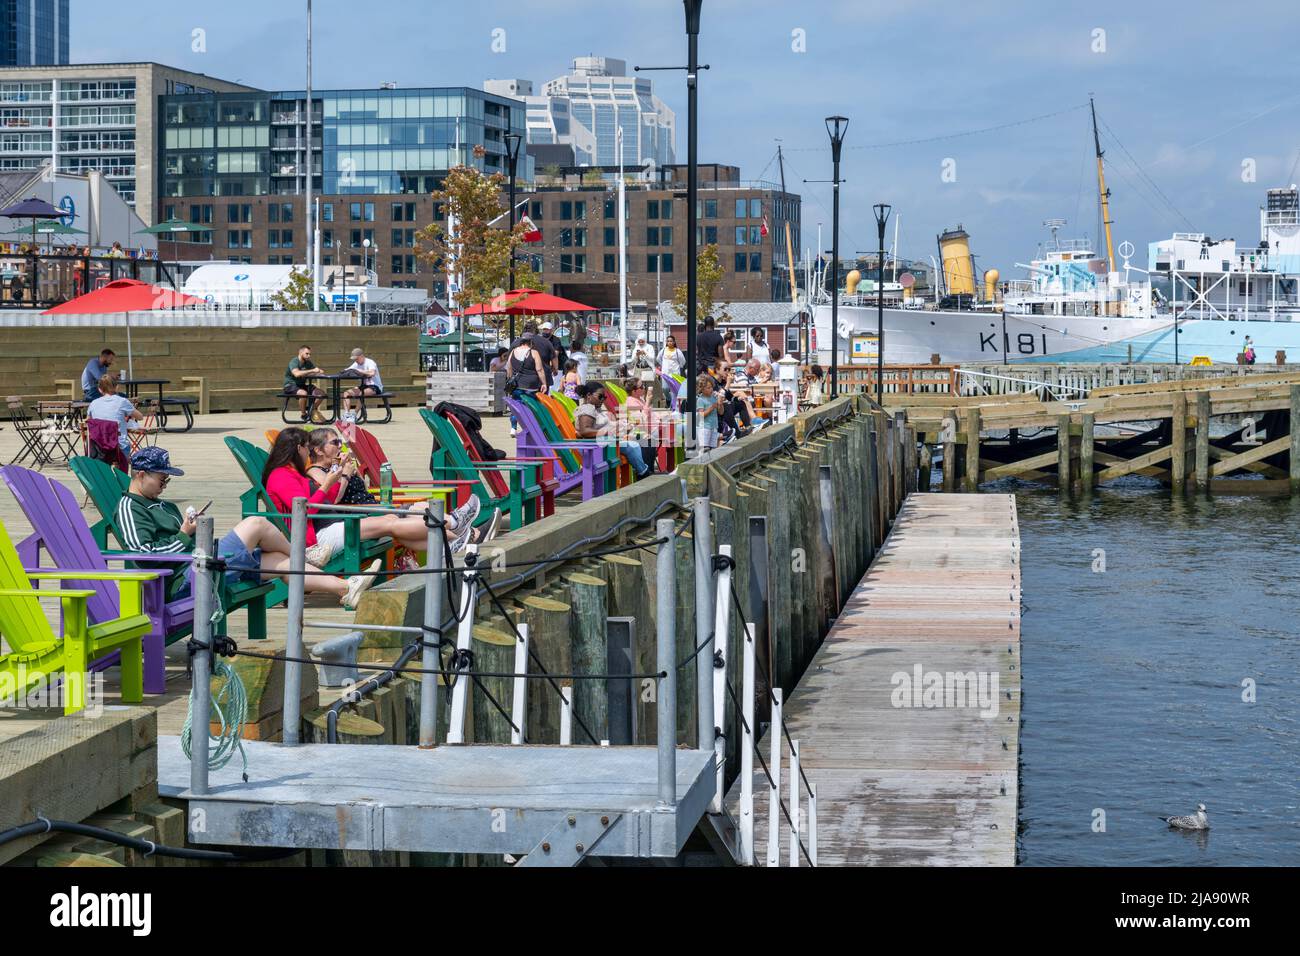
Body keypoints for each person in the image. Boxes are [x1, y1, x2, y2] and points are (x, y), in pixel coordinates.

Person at [115, 447, 378, 609]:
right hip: (183, 580)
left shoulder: (162, 506)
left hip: (202, 562)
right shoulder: (130, 507)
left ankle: (346, 588)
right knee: (256, 524)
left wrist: (189, 532)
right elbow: (143, 553)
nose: (165, 485)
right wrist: (185, 533)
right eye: (162, 479)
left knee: (278, 560)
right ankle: (307, 553)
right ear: (140, 475)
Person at [303, 426, 499, 551]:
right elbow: (334, 499)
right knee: (411, 514)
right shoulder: (316, 471)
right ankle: (464, 530)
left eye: (340, 441)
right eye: (335, 442)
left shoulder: (334, 467)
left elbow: (359, 490)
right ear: (319, 450)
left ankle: (460, 536)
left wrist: (353, 473)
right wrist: (345, 474)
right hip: (359, 515)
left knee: (417, 511)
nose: (340, 445)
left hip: (371, 507)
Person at [575, 382, 652, 478]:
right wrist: (608, 431)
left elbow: (599, 426)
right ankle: (644, 474)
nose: (603, 400)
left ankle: (644, 473)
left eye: (604, 397)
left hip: (603, 443)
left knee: (638, 442)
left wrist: (620, 425)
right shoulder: (587, 409)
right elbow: (584, 431)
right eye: (600, 396)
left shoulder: (594, 409)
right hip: (595, 447)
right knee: (634, 445)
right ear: (589, 395)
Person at [86, 373, 143, 463]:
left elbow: (88, 422)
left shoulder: (93, 403)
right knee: (126, 446)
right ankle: (122, 472)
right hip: (118, 447)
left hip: (98, 448)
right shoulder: (122, 401)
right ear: (117, 387)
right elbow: (140, 417)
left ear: (99, 389)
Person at [506, 324, 548, 437]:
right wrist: (544, 383)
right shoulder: (534, 353)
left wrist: (510, 379)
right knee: (531, 407)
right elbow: (539, 369)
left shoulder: (513, 351)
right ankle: (530, 429)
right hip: (531, 386)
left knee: (516, 407)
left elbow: (509, 367)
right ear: (531, 342)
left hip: (517, 386)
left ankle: (513, 428)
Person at [283, 344, 326, 422]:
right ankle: (303, 414)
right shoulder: (294, 361)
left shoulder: (308, 363)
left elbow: (320, 371)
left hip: (302, 385)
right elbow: (297, 374)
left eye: (310, 354)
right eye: (307, 353)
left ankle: (311, 412)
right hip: (290, 385)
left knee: (321, 393)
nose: (309, 355)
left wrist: (316, 371)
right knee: (303, 393)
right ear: (300, 352)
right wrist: (312, 371)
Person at [341, 347, 382, 417]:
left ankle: (354, 414)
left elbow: (372, 373)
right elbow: (348, 369)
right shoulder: (356, 363)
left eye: (357, 359)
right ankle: (346, 414)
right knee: (346, 393)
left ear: (362, 356)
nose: (355, 361)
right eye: (354, 359)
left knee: (361, 393)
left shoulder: (370, 362)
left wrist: (360, 371)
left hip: (375, 386)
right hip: (364, 385)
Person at [519, 320, 556, 388]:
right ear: (536, 329)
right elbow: (554, 358)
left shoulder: (517, 342)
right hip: (543, 378)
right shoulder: (546, 342)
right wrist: (555, 369)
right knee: (542, 398)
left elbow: (509, 363)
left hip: (521, 380)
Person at [696, 374, 720, 451]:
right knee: (705, 448)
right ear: (702, 389)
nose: (711, 389)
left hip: (714, 426)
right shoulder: (701, 400)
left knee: (713, 448)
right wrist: (712, 407)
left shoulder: (713, 398)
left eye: (711, 387)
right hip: (705, 428)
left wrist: (720, 403)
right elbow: (701, 415)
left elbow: (721, 412)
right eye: (708, 388)